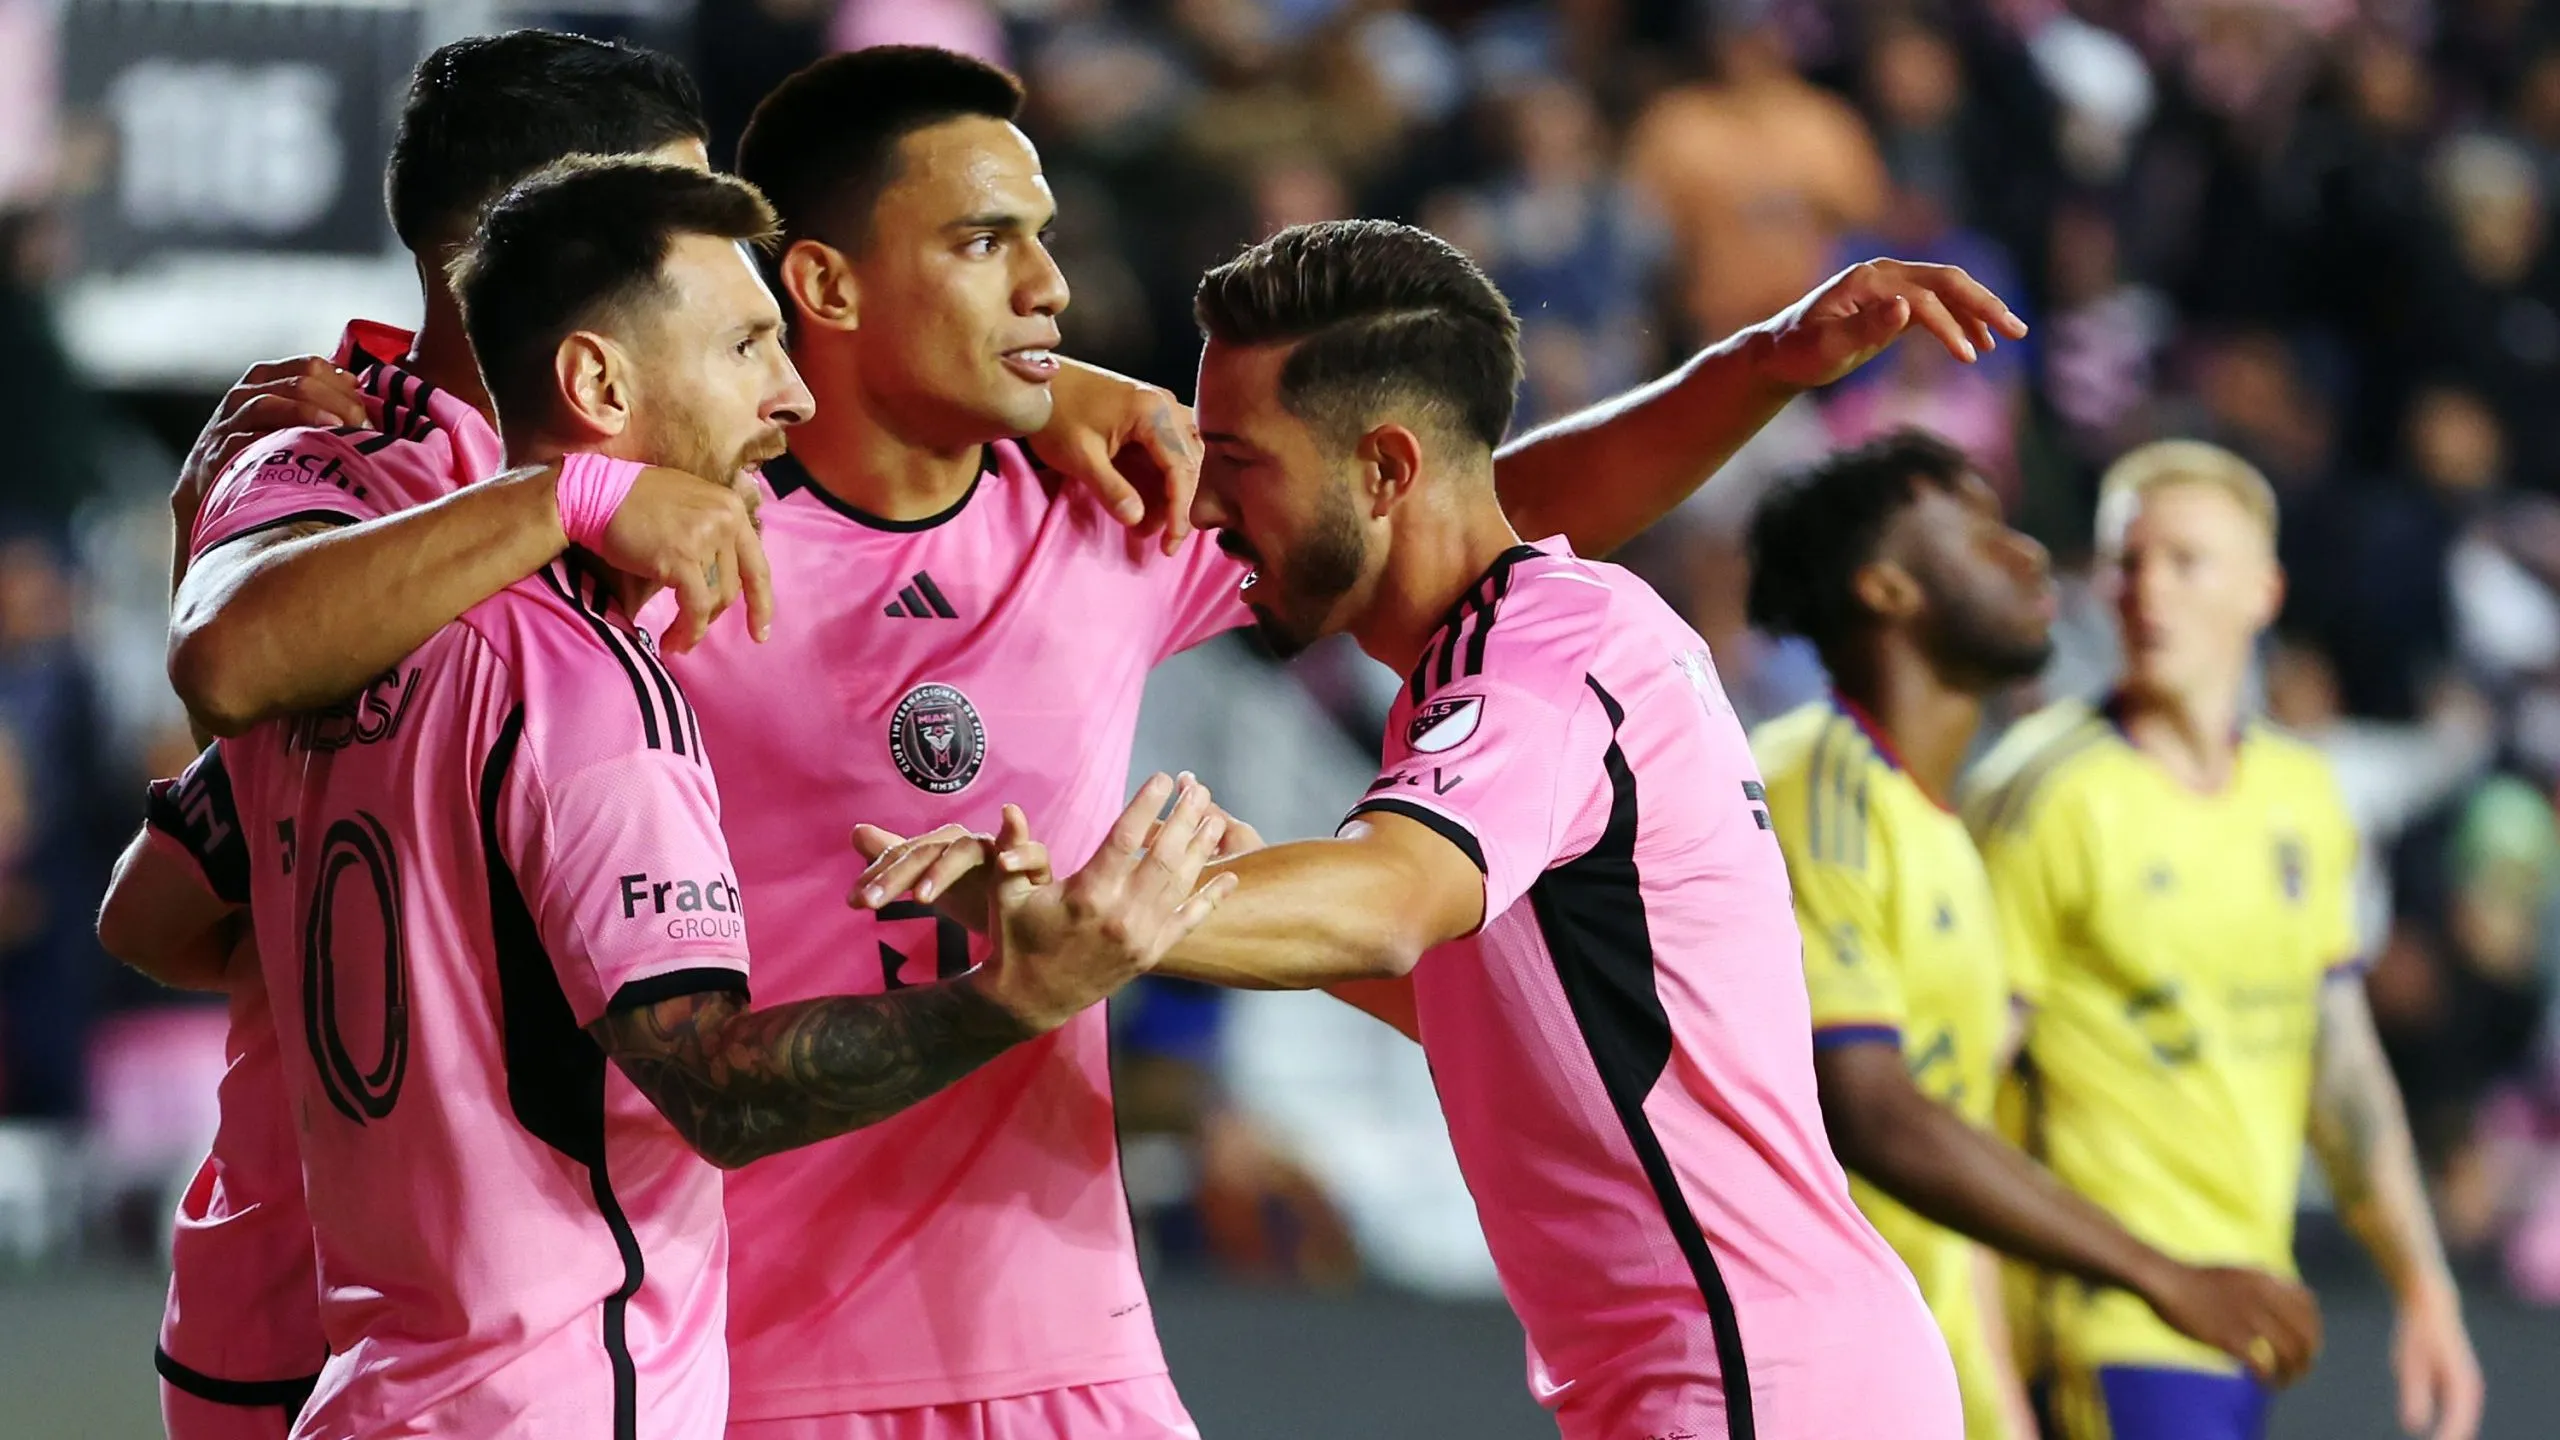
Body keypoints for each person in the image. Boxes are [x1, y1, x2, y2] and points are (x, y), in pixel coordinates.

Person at [170, 43, 2021, 1440]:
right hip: (750, 1358)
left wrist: (1756, 369)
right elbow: (234, 751)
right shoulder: (640, 562)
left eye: (1043, 236)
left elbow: (1435, 505)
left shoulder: (1110, 521)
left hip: (1073, 1352)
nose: (1052, 282)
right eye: (990, 241)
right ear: (819, 289)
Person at [149, 32, 1194, 1440]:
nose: (780, 362)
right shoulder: (350, 466)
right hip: (400, 1321)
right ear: (545, 242)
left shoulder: (610, 543)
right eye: (697, 249)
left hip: (394, 1344)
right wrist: (574, 499)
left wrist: (1051, 385)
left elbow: (159, 902)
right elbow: (227, 662)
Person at [859, 218, 1966, 1440]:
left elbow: (1388, 908)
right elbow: (1490, 1013)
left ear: (1385, 472)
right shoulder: (1517, 647)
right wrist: (1233, 888)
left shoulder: (1537, 658)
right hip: (1750, 1368)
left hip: (1746, 1377)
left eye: (1239, 459)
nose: (1204, 502)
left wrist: (1078, 913)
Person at [1740, 432, 2321, 1439]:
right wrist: (2159, 1273)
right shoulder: (1810, 785)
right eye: (1981, 534)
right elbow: (1869, 1108)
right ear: (1886, 588)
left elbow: (1957, 1134)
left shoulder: (1942, 833)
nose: (2030, 555)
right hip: (1808, 1377)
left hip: (1927, 1375)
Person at [1963, 440, 2486, 1440]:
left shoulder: (2301, 798)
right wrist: (1986, 1381)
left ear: (2263, 591)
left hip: (2245, 1315)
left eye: (2184, 561)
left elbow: (2340, 1064)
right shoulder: (2044, 796)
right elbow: (1953, 1109)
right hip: (2101, 1326)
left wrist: (2425, 1287)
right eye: (2127, 561)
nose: (2145, 591)